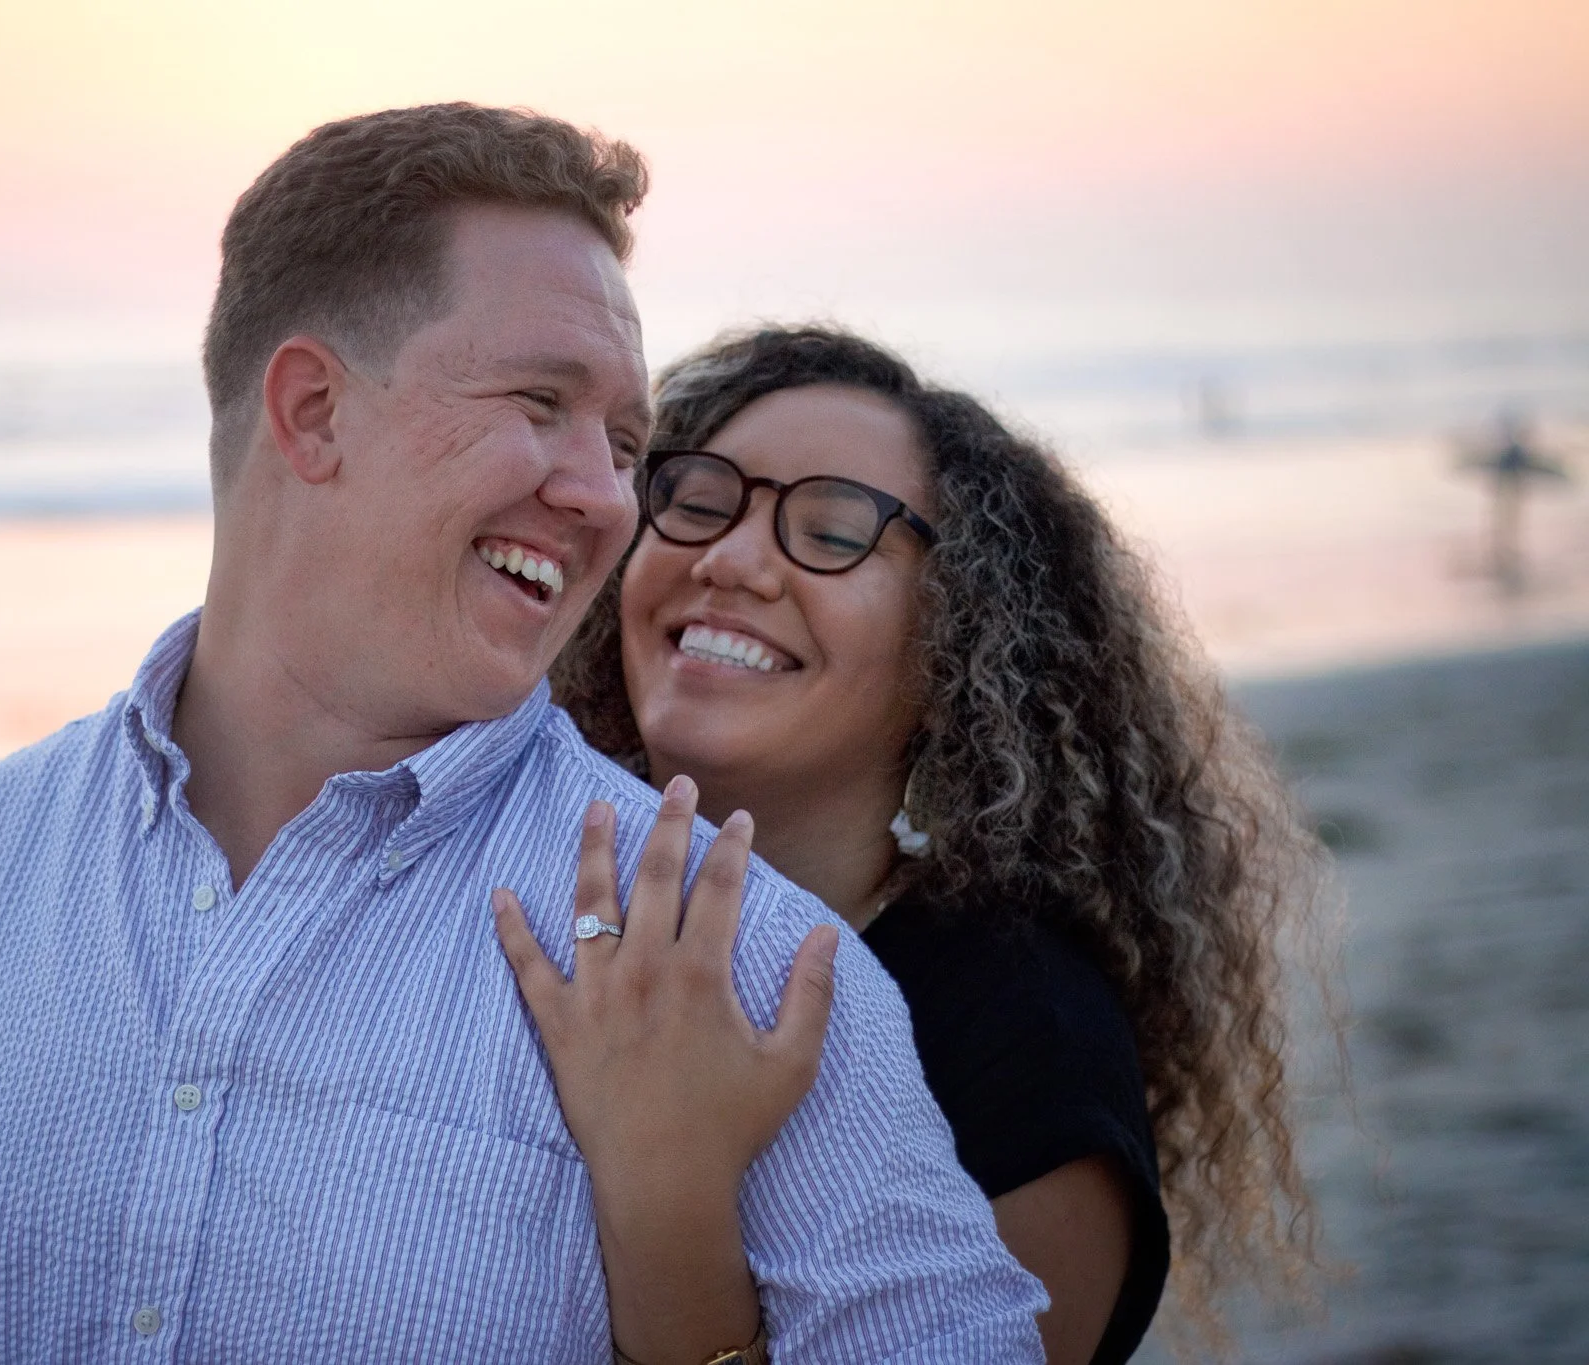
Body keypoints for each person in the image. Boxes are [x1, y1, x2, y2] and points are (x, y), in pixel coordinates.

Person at [0, 110, 1048, 1362]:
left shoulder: (744, 970)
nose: (605, 498)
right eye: (541, 402)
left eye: (624, 445)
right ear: (313, 412)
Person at [511, 326, 1332, 1364]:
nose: (725, 560)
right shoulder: (514, 892)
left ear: (959, 639)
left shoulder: (1027, 1052)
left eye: (834, 528)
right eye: (699, 499)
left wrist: (667, 1189)